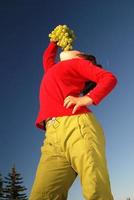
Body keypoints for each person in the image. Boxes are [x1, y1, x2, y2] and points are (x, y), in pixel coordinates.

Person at [29, 41, 117, 200]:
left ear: (82, 57)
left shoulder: (78, 63)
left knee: (95, 187)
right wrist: (53, 42)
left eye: (78, 50)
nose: (70, 47)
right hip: (51, 136)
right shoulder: (53, 69)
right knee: (42, 195)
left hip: (77, 126)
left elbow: (108, 78)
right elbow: (47, 58)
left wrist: (87, 98)